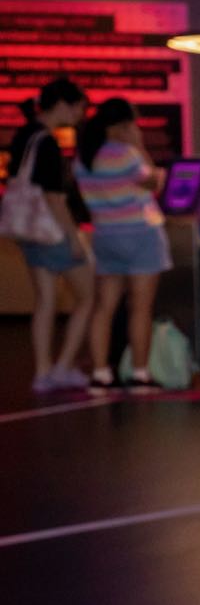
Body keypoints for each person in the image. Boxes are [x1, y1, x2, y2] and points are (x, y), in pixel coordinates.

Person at [73, 98, 172, 392]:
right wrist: (141, 147)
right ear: (124, 126)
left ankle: (101, 372)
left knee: (104, 307)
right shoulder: (127, 155)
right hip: (140, 234)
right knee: (140, 307)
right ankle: (141, 373)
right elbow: (153, 182)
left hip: (105, 235)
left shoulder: (84, 157)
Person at [7, 77, 94, 394]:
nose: (79, 116)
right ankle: (63, 365)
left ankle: (43, 372)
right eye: (77, 108)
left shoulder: (25, 135)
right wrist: (73, 237)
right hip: (53, 231)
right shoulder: (47, 142)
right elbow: (55, 199)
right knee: (88, 296)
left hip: (28, 230)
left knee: (44, 300)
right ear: (61, 105)